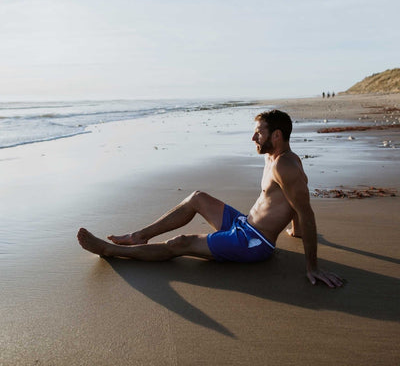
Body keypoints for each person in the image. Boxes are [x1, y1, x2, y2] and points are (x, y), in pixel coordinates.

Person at [77, 110, 343, 288]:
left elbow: (305, 211)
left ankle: (112, 251)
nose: (253, 137)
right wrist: (294, 230)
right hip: (244, 224)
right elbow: (292, 204)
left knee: (181, 243)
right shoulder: (273, 157)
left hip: (254, 242)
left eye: (259, 133)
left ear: (276, 135)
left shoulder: (285, 166)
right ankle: (139, 235)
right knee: (197, 198)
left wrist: (313, 267)